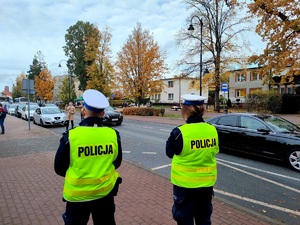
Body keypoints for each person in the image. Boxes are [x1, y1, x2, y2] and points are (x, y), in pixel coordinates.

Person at [54, 89, 123, 225]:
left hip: (78, 198)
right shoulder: (113, 135)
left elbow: (59, 168)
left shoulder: (71, 136)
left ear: (83, 112)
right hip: (105, 195)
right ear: (103, 113)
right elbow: (117, 162)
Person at [165, 94, 219, 225]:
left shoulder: (179, 133)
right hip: (206, 185)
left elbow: (169, 152)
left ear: (185, 109)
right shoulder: (212, 130)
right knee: (204, 219)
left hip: (185, 185)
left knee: (184, 219)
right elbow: (215, 150)